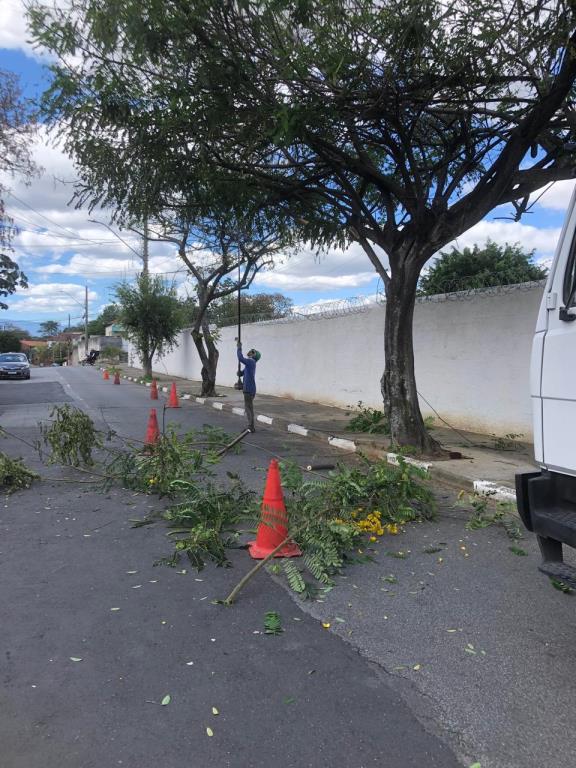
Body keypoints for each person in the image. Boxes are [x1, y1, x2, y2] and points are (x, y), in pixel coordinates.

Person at [236, 340, 261, 432]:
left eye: (252, 352)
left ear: (254, 356)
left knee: (248, 409)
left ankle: (251, 426)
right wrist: (239, 373)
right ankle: (251, 426)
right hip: (249, 389)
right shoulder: (250, 364)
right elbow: (242, 373)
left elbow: (240, 358)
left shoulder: (251, 362)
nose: (250, 352)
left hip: (249, 390)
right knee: (249, 408)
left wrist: (239, 348)